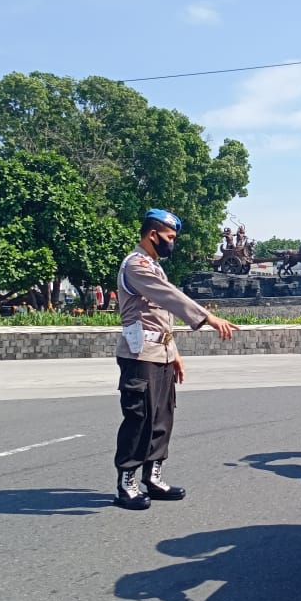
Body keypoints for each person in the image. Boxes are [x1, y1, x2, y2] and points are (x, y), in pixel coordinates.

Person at [112, 209, 239, 511]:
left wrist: (175, 353)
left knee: (162, 418)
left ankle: (153, 477)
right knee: (139, 418)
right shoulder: (136, 265)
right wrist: (207, 317)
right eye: (169, 237)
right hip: (139, 353)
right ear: (153, 234)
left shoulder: (154, 266)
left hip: (161, 353)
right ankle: (126, 482)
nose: (172, 243)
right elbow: (170, 297)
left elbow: (161, 317)